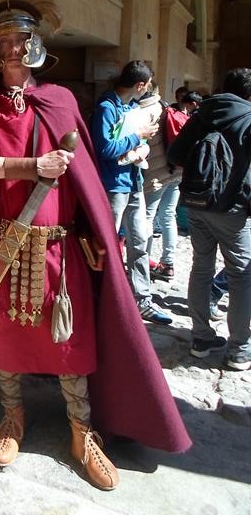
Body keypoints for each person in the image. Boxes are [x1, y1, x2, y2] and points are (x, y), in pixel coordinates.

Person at [0, 0, 190, 492]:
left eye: (20, 38)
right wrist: (33, 166)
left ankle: (81, 430)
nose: (11, 48)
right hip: (2, 244)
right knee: (2, 336)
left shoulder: (60, 100)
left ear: (35, 44)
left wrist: (98, 234)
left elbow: (86, 181)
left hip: (57, 246)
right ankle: (12, 418)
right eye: (2, 40)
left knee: (67, 336)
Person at [168, 68, 251, 370]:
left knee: (202, 266)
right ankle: (239, 349)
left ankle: (200, 339)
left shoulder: (202, 114)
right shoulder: (249, 117)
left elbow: (176, 153)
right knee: (241, 274)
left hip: (196, 203)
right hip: (233, 210)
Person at [91, 61, 172, 324]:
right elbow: (104, 148)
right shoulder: (106, 108)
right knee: (106, 244)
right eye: (147, 85)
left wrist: (141, 148)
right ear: (140, 85)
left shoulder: (131, 107)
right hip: (113, 185)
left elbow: (138, 142)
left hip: (134, 182)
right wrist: (138, 136)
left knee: (139, 243)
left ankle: (142, 300)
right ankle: (101, 297)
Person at [144, 90, 189, 282]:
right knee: (169, 216)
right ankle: (168, 263)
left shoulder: (148, 112)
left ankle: (143, 261)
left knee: (147, 216)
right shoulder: (171, 110)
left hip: (156, 175)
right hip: (176, 172)